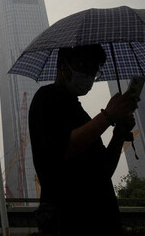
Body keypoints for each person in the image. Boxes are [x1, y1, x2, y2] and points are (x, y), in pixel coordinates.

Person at [29, 44, 138, 235]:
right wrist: (108, 116)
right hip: (67, 219)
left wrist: (119, 132)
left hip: (101, 218)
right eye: (84, 67)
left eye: (94, 71)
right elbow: (61, 148)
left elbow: (103, 171)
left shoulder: (80, 112)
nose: (89, 76)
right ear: (63, 66)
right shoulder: (46, 98)